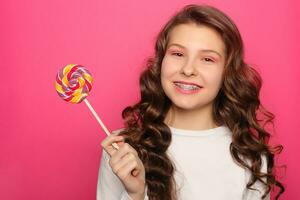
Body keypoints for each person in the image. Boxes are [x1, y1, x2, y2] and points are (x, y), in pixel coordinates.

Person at [96, 4, 285, 200]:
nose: (188, 69)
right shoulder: (121, 149)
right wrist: (135, 194)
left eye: (207, 59)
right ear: (161, 61)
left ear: (227, 72)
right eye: (178, 54)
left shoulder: (250, 158)